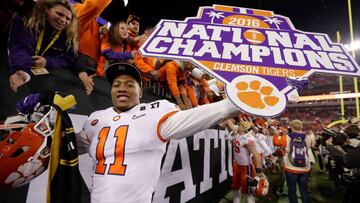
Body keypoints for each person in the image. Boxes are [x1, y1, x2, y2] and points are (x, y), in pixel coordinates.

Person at [76, 63, 241, 203]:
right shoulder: (96, 119)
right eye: (116, 84)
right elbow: (71, 146)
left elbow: (197, 117)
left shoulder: (153, 113)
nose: (122, 88)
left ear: (141, 92)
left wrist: (240, 101)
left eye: (130, 84)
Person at [7, 0, 78, 92]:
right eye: (59, 14)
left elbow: (69, 60)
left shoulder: (69, 35)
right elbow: (21, 46)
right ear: (46, 10)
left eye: (67, 19)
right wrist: (21, 70)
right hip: (14, 65)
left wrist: (47, 61)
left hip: (40, 79)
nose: (63, 20)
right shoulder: (28, 20)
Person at [71, 0, 112, 95]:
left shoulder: (100, 24)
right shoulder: (76, 10)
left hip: (94, 71)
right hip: (77, 66)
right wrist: (81, 70)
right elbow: (95, 5)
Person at [284, 119, 312, 203]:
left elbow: (286, 150)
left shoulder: (287, 137)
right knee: (304, 190)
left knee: (292, 190)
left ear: (291, 127)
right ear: (301, 127)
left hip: (290, 167)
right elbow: (308, 149)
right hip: (304, 167)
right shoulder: (307, 137)